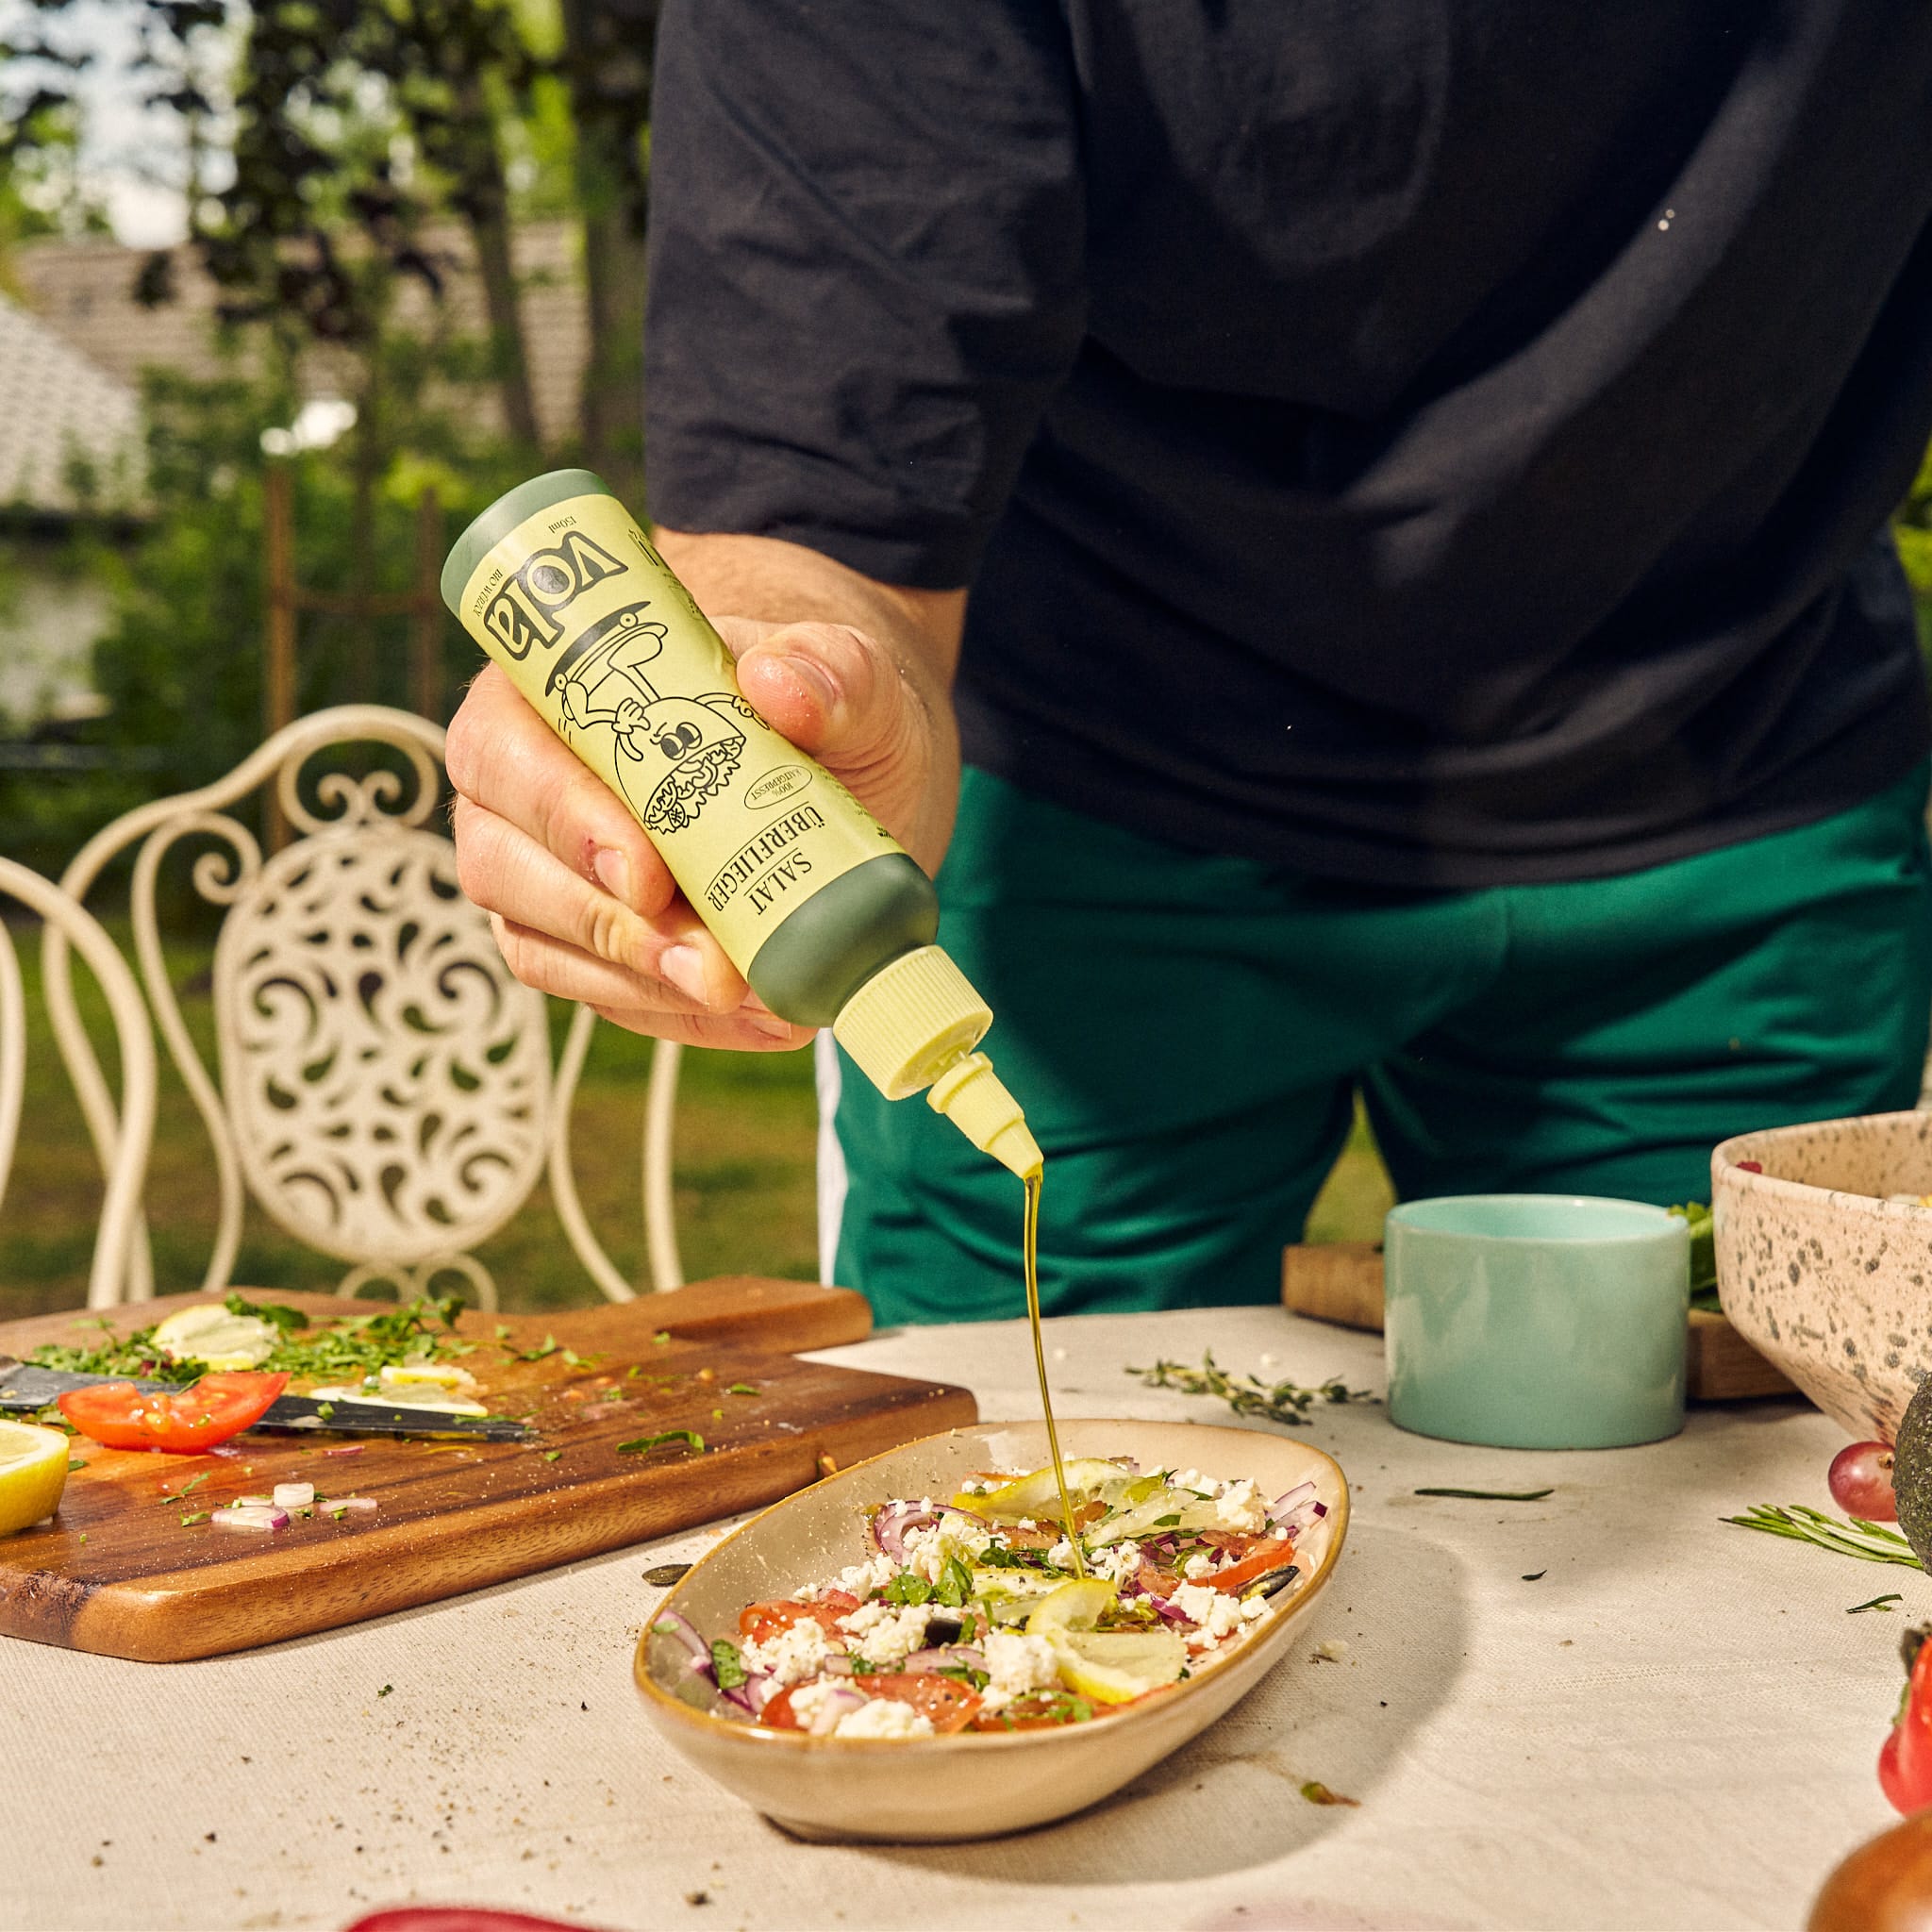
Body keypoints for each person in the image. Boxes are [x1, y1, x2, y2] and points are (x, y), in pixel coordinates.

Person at [448, 1, 1932, 1328]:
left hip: (1743, 796)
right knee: (1009, 1531)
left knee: (1754, 1546)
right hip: (1093, 820)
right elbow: (824, 504)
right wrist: (790, 668)